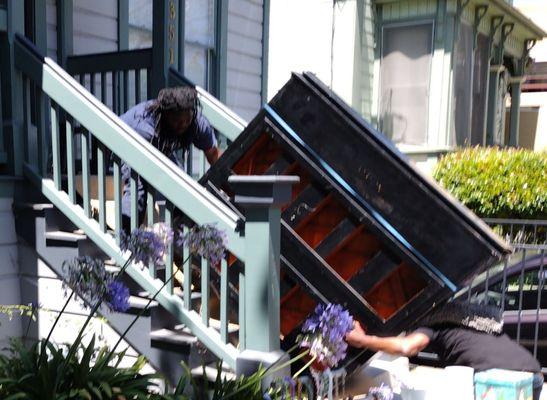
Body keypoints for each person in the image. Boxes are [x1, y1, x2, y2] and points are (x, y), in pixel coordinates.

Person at [345, 301, 544, 400]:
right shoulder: (471, 320)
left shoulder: (433, 323)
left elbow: (407, 346)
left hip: (499, 382)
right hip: (533, 376)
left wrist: (364, 340)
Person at [119, 86, 221, 230]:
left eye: (187, 119)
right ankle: (125, 238)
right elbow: (148, 165)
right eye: (177, 120)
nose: (183, 125)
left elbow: (213, 154)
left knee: (182, 182)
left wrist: (223, 185)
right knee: (138, 190)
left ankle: (180, 231)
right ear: (165, 115)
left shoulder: (197, 122)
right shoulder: (145, 125)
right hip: (126, 142)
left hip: (160, 147)